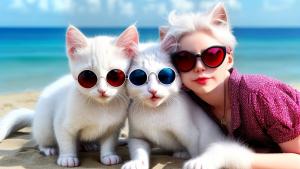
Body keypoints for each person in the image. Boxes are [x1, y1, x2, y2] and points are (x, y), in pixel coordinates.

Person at [161, 3, 300, 169]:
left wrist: (231, 157)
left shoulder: (259, 95)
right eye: (184, 59)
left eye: (212, 55)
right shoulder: (188, 102)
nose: (199, 66)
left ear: (229, 60)